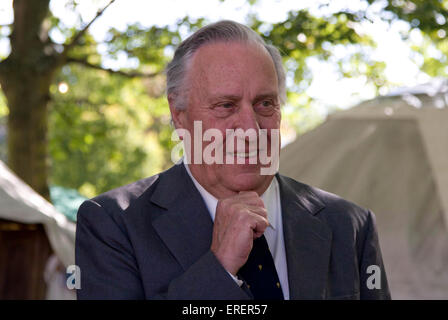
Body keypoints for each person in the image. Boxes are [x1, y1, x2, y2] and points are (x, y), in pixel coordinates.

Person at [75, 20, 391, 300]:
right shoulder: (113, 224)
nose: (250, 129)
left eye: (265, 104)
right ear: (179, 115)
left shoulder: (350, 226)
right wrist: (219, 267)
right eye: (226, 106)